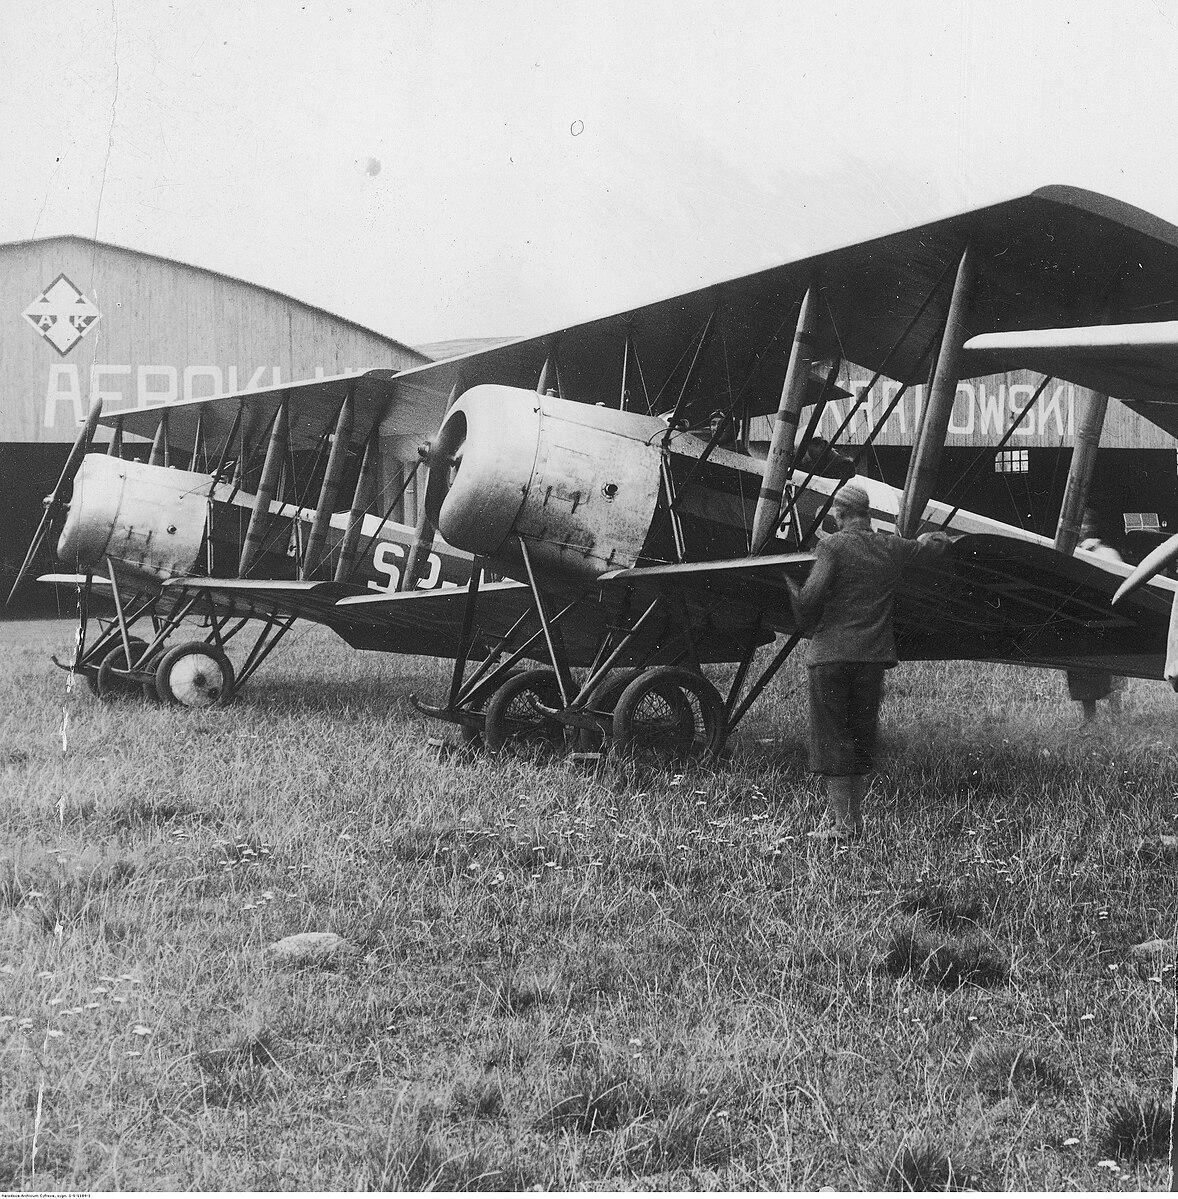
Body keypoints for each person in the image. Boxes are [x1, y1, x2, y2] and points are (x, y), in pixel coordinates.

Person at [785, 482, 951, 843]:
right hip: (872, 658)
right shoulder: (891, 547)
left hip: (831, 657)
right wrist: (935, 537)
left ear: (839, 513)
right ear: (868, 513)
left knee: (834, 740)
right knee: (859, 738)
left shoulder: (831, 546)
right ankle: (854, 823)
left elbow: (807, 604)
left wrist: (787, 582)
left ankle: (843, 827)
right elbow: (932, 547)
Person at [1065, 513, 1126, 721]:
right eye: (1080, 523)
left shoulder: (1108, 553)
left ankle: (1116, 714)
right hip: (1081, 617)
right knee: (1082, 668)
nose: (1083, 527)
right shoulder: (1070, 549)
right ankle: (1089, 717)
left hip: (1104, 618)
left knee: (1110, 667)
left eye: (1087, 523)